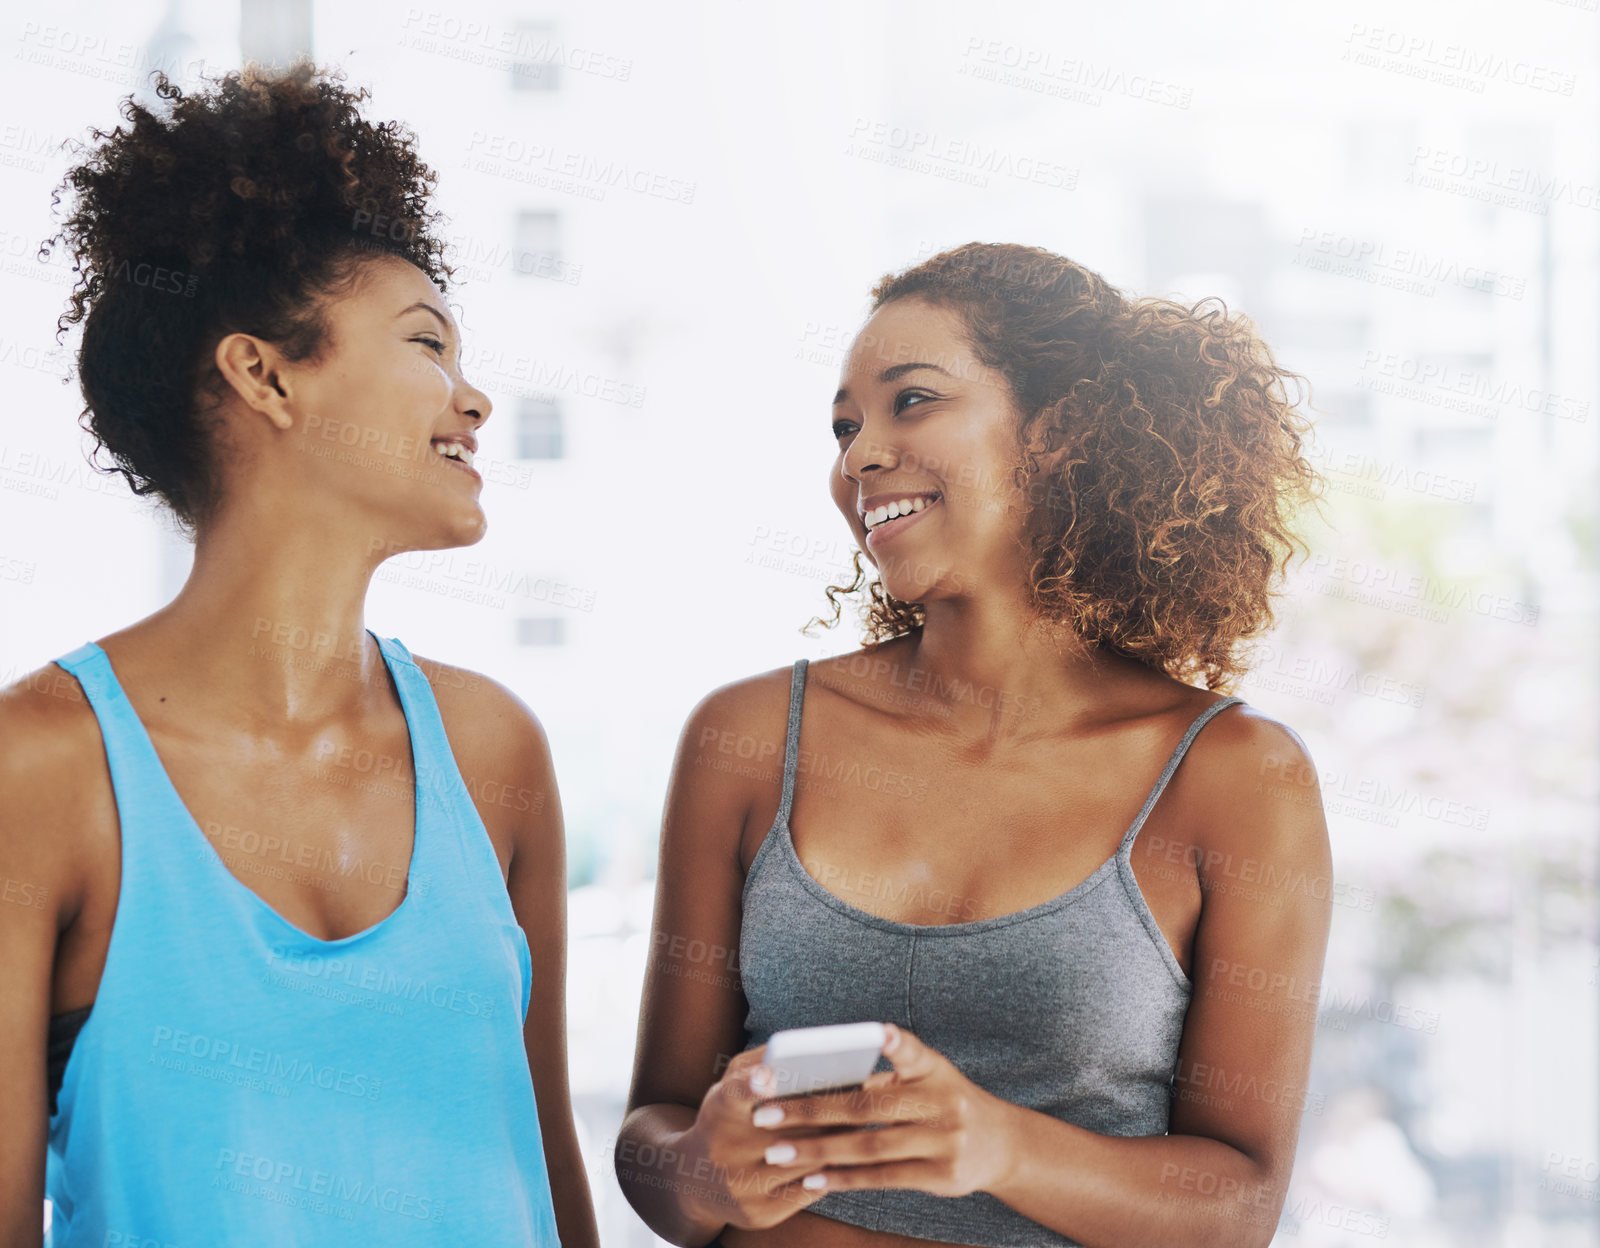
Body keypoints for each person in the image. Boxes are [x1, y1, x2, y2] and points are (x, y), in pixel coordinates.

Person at [616, 242, 1332, 1247]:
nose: (858, 456)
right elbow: (653, 1134)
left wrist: (999, 1147)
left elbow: (1239, 1206)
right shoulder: (745, 741)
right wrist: (701, 1173)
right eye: (843, 425)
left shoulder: (1234, 778)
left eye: (910, 401)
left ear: (1061, 434)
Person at [0, 60, 597, 1247]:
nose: (472, 398)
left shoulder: (492, 751)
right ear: (263, 373)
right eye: (428, 342)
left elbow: (545, 1179)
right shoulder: (40, 772)